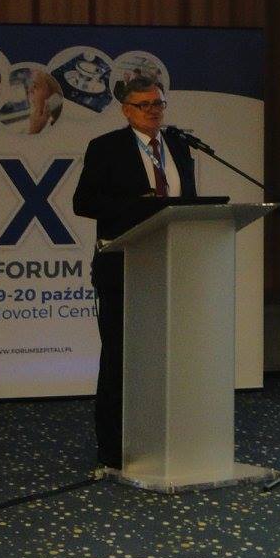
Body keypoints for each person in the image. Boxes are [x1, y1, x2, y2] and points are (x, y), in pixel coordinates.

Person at [72, 76, 196, 469]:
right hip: (123, 265)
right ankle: (113, 450)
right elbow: (83, 202)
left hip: (171, 264)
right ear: (127, 111)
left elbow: (189, 202)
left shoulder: (179, 145)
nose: (153, 111)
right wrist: (137, 205)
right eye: (144, 105)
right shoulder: (106, 148)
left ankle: (164, 438)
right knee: (120, 357)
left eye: (158, 103)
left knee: (168, 357)